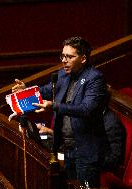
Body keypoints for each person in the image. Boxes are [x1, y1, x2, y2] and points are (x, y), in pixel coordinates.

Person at [12, 36, 107, 188]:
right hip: (65, 147)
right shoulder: (63, 74)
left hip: (85, 151)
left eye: (69, 57)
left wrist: (54, 106)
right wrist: (26, 89)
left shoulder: (95, 78)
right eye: (63, 56)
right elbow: (46, 90)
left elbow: (86, 109)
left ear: (83, 59)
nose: (64, 60)